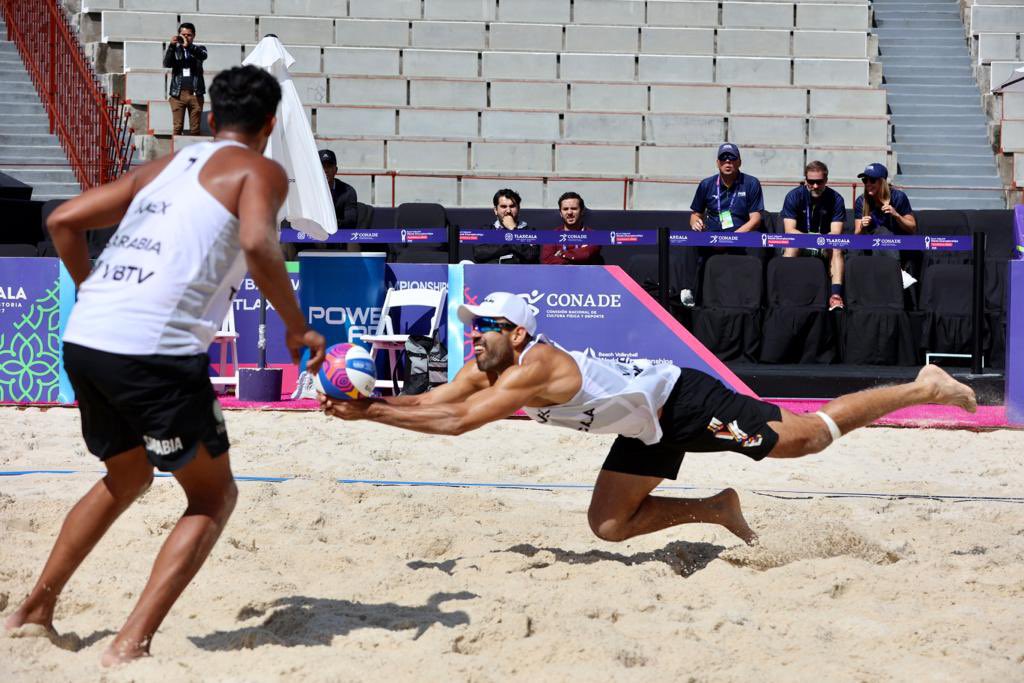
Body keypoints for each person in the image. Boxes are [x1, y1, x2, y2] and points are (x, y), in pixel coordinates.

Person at [3, 65, 327, 666]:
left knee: (126, 477)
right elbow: (258, 244)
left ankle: (33, 611)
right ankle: (129, 646)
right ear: (271, 124)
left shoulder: (165, 167)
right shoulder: (260, 169)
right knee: (212, 496)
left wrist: (92, 286)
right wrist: (296, 325)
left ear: (207, 117)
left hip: (86, 336)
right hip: (153, 348)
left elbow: (61, 220)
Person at [321, 291, 976, 547]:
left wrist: (368, 413)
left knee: (801, 438)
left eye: (483, 326)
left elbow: (461, 426)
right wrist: (366, 408)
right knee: (608, 524)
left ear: (518, 332)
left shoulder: (534, 368)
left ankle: (920, 384)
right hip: (642, 426)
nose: (473, 335)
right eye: (472, 327)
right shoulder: (487, 366)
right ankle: (717, 507)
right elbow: (437, 404)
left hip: (682, 401)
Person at [683, 143, 765, 306]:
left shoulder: (751, 183)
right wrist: (696, 224)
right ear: (717, 163)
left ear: (739, 162)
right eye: (723, 159)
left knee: (758, 242)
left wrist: (731, 238)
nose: (728, 162)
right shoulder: (707, 184)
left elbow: (755, 219)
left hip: (741, 235)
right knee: (690, 240)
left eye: (732, 158)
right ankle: (689, 290)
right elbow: (695, 215)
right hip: (713, 236)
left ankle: (758, 297)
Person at [780, 161, 848, 310]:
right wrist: (811, 240)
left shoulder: (836, 199)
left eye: (819, 182)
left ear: (826, 180)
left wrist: (821, 241)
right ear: (805, 180)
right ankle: (784, 294)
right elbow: (789, 230)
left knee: (837, 246)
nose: (815, 186)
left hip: (825, 244)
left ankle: (835, 297)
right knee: (792, 244)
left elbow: (836, 232)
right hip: (801, 242)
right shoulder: (793, 196)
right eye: (811, 182)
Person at [472, 188, 540, 264]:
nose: (508, 211)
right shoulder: (485, 230)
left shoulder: (529, 230)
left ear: (518, 208)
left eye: (512, 206)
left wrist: (512, 230)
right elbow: (478, 254)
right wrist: (510, 245)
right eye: (503, 206)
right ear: (495, 210)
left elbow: (531, 255)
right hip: (493, 274)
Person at [163, 22, 207, 136]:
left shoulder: (199, 49)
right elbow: (167, 63)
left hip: (195, 94)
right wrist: (172, 46)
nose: (186, 37)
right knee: (177, 128)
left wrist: (189, 46)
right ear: (179, 35)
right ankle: (177, 153)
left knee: (195, 129)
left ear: (194, 35)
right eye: (183, 34)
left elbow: (203, 56)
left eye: (189, 35)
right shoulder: (175, 50)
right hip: (178, 94)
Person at [854, 163, 916, 238]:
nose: (868, 183)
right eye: (865, 180)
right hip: (874, 243)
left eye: (872, 180)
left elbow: (912, 228)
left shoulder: (898, 197)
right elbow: (856, 236)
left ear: (882, 182)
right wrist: (862, 226)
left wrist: (897, 215)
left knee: (883, 232)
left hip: (899, 242)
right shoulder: (861, 201)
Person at [541, 191, 603, 265]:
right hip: (559, 275)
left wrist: (561, 254)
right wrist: (578, 255)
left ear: (582, 211)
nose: (569, 212)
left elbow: (587, 254)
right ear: (560, 213)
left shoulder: (594, 235)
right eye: (565, 209)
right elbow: (547, 261)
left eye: (574, 208)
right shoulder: (551, 236)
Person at [318, 149, 358, 230]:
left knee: (353, 242)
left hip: (339, 236)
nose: (325, 170)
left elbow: (351, 221)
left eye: (329, 166)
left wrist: (329, 224)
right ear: (315, 170)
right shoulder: (307, 191)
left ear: (336, 170)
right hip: (312, 237)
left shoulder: (348, 191)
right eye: (322, 167)